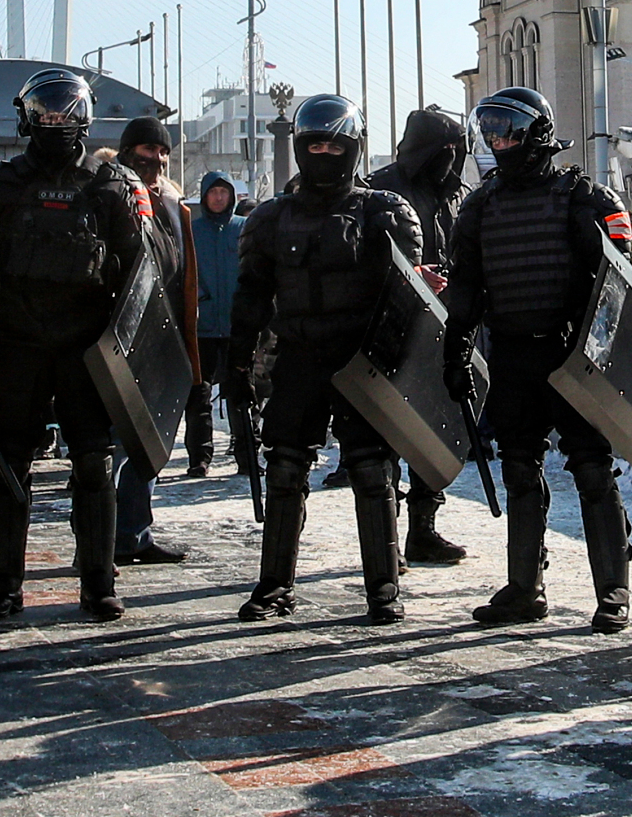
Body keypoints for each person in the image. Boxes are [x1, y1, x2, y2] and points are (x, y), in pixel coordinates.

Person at [0, 68, 150, 623]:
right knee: (7, 467)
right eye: (46, 113)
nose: (56, 123)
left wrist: (135, 361)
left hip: (85, 350)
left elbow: (141, 279)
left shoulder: (113, 185)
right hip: (19, 342)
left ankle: (98, 582)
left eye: (66, 113)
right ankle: (4, 585)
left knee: (95, 466)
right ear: (27, 116)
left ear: (84, 117)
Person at [441, 87, 632, 631]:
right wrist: (456, 351)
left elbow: (617, 286)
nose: (499, 140)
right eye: (492, 130)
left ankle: (613, 590)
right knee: (520, 467)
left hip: (571, 354)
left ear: (536, 133)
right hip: (513, 355)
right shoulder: (480, 207)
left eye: (508, 129)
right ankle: (525, 588)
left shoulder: (582, 198)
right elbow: (466, 289)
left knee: (592, 468)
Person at [228, 94, 422, 624]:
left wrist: (402, 367)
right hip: (300, 356)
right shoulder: (270, 218)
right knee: (285, 467)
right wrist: (237, 363)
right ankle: (273, 587)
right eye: (315, 143)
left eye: (335, 144)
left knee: (371, 468)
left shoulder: (383, 210)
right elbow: (250, 296)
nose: (325, 152)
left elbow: (411, 298)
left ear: (353, 148)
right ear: (299, 147)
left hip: (363, 360)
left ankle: (383, 588)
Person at [367, 105, 472, 566]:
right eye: (443, 150)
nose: (451, 159)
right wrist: (409, 276)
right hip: (392, 323)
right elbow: (362, 256)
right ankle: (386, 533)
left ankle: (423, 527)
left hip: (443, 325)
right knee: (389, 430)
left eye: (456, 150)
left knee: (435, 428)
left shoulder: (456, 192)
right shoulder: (380, 188)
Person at [108, 117, 199, 564]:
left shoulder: (169, 203)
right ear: (127, 152)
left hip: (162, 340)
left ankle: (134, 533)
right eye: (147, 150)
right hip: (119, 338)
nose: (157, 160)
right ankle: (102, 536)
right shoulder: (111, 194)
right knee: (114, 448)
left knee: (148, 442)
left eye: (162, 152)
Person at [186, 169, 245, 480]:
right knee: (199, 397)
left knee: (241, 394)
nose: (219, 197)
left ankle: (247, 456)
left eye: (224, 192)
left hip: (238, 326)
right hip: (203, 327)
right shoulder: (192, 232)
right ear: (205, 196)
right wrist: (198, 298)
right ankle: (199, 457)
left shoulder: (244, 229)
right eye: (214, 192)